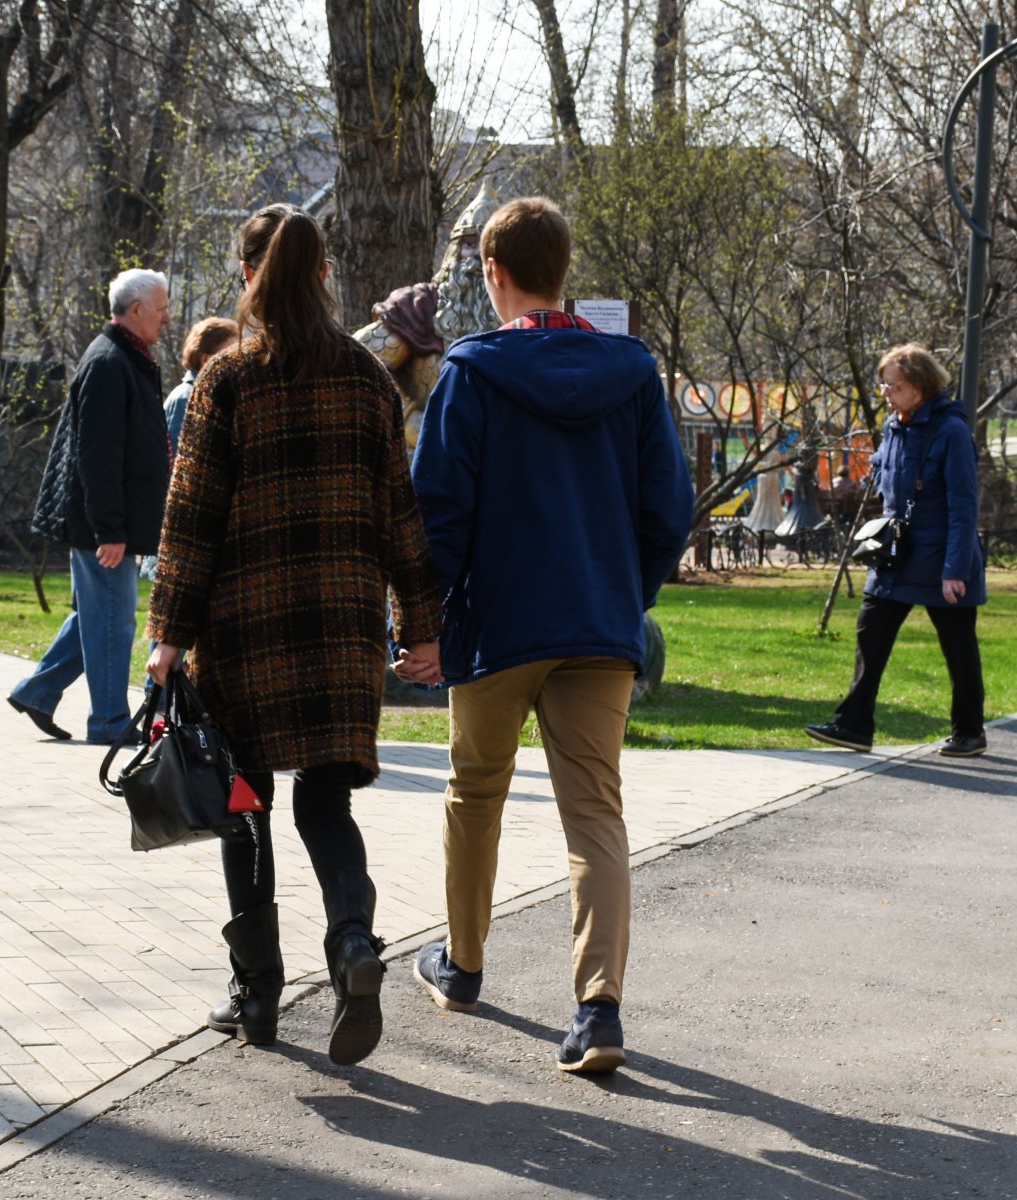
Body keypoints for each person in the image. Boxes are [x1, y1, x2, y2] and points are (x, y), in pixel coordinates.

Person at [401, 196, 694, 1075]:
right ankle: (597, 1011)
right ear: (563, 270)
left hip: (496, 625)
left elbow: (438, 514)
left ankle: (461, 966)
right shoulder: (633, 372)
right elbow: (667, 508)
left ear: (494, 272)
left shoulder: (471, 372)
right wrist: (623, 594)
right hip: (601, 627)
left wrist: (422, 624)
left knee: (475, 792)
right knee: (594, 810)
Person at [145, 204, 442, 1067]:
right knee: (326, 797)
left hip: (247, 629)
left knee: (246, 807)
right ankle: (353, 941)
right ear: (321, 276)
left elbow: (190, 520)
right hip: (342, 626)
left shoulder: (227, 380)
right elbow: (401, 517)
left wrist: (167, 634)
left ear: (248, 277)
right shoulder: (366, 379)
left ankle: (257, 993)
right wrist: (420, 627)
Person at [8, 268, 172, 744]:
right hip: (102, 525)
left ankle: (37, 692)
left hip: (108, 521)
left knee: (98, 615)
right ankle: (109, 724)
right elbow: (96, 458)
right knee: (113, 620)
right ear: (136, 310)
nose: (166, 318)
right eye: (161, 309)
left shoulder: (125, 357)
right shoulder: (109, 362)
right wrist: (111, 531)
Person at [805, 344, 987, 758]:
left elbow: (964, 506)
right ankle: (853, 725)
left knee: (959, 649)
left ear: (920, 387)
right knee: (871, 633)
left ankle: (969, 731)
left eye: (894, 386)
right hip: (898, 557)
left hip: (944, 562)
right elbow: (890, 478)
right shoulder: (896, 425)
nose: (886, 393)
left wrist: (955, 569)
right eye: (884, 385)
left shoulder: (952, 431)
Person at [163, 317, 239, 451]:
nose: (238, 363)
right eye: (230, 356)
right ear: (205, 360)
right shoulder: (185, 398)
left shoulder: (215, 397)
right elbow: (179, 459)